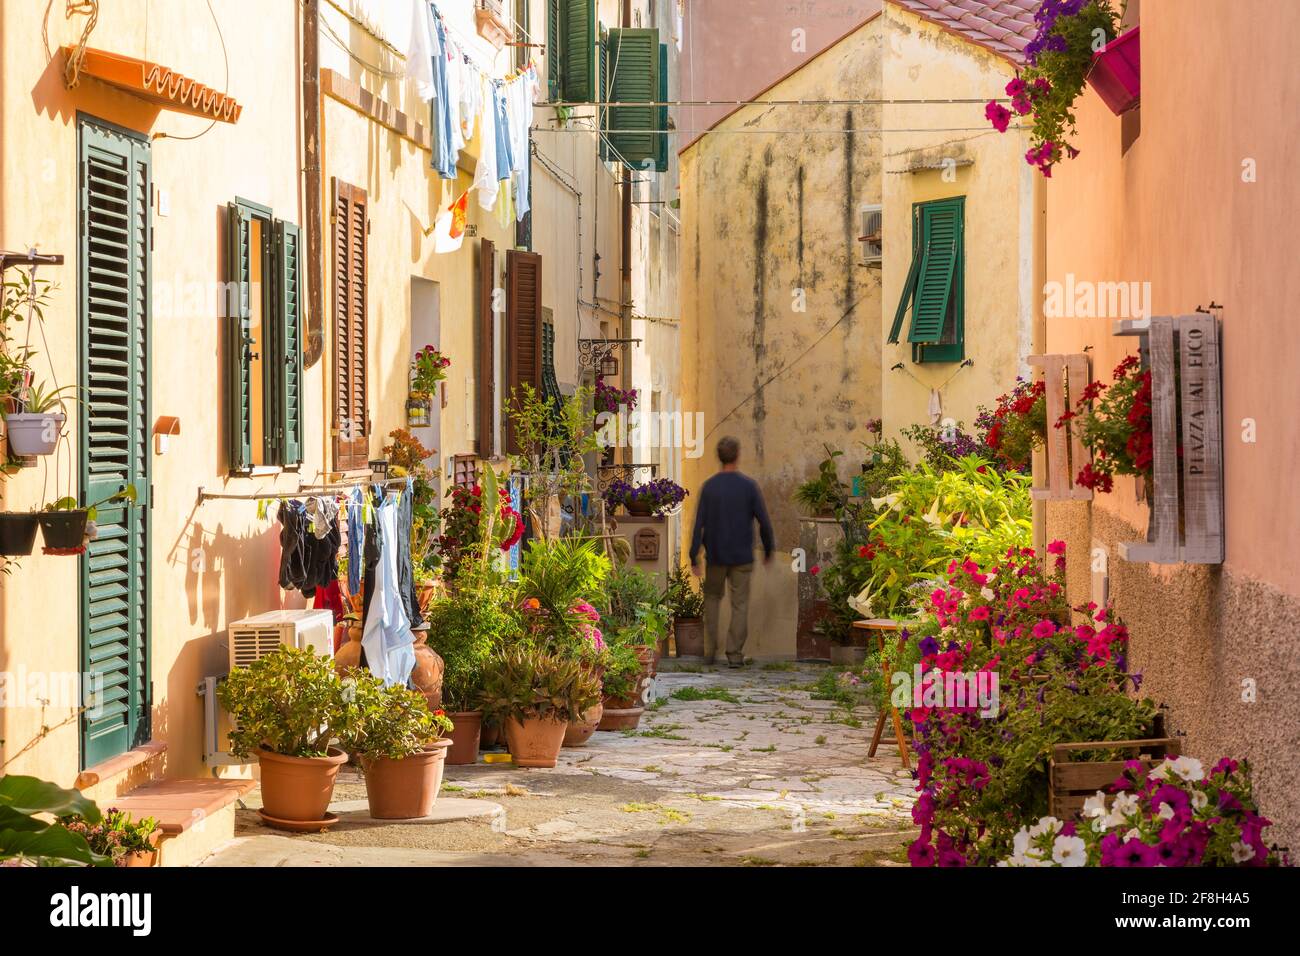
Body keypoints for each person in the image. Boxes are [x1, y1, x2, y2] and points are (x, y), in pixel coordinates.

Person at [689, 436, 775, 666]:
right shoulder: (748, 486)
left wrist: (693, 554)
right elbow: (763, 521)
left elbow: (699, 523)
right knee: (740, 604)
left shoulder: (709, 487)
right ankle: (734, 654)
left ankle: (710, 651)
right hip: (742, 556)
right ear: (737, 455)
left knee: (711, 599)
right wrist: (769, 550)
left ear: (719, 456)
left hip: (716, 555)